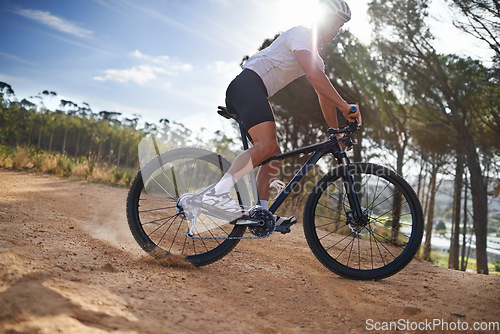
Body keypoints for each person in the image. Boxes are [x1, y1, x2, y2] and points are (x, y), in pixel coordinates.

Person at [200, 0, 362, 225]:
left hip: (254, 91)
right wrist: (345, 106)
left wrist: (335, 132)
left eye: (341, 26)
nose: (337, 29)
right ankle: (216, 194)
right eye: (335, 22)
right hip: (247, 85)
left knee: (272, 154)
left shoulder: (317, 59)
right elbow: (315, 77)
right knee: (266, 146)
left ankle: (261, 214)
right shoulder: (301, 35)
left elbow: (323, 95)